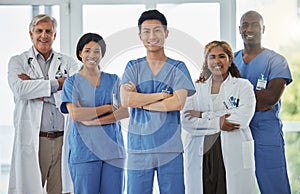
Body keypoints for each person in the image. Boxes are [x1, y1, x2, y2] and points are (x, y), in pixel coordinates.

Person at [120, 9, 195, 194]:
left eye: (157, 30)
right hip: (139, 149)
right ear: (140, 35)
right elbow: (126, 99)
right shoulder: (133, 66)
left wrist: (141, 101)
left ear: (166, 33)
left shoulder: (178, 67)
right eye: (146, 31)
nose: (151, 36)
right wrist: (161, 96)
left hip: (169, 149)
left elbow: (177, 103)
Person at [7, 14, 79, 194]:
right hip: (35, 138)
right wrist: (58, 84)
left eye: (49, 31)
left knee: (60, 190)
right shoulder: (18, 61)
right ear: (31, 34)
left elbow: (76, 91)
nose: (44, 35)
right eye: (39, 31)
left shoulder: (68, 62)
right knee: (30, 188)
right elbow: (21, 90)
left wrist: (37, 87)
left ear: (55, 35)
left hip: (63, 138)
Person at [182, 40, 257, 194]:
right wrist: (218, 122)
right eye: (212, 57)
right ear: (206, 62)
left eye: (222, 56)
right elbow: (187, 120)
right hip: (203, 152)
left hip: (232, 150)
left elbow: (242, 118)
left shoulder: (243, 86)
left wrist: (202, 115)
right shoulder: (195, 88)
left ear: (229, 60)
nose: (217, 61)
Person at [60, 32, 129, 194]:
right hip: (84, 153)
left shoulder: (113, 80)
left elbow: (124, 111)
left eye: (97, 51)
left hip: (113, 152)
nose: (92, 55)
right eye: (87, 50)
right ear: (80, 54)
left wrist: (94, 121)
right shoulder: (71, 82)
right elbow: (76, 114)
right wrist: (108, 108)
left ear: (102, 54)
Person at [233, 10, 292, 194]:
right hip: (236, 132)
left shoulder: (276, 61)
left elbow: (270, 98)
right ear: (239, 29)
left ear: (263, 28)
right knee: (236, 186)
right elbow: (217, 96)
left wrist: (235, 100)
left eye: (255, 24)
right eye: (245, 24)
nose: (249, 28)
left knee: (275, 186)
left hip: (266, 134)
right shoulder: (230, 61)